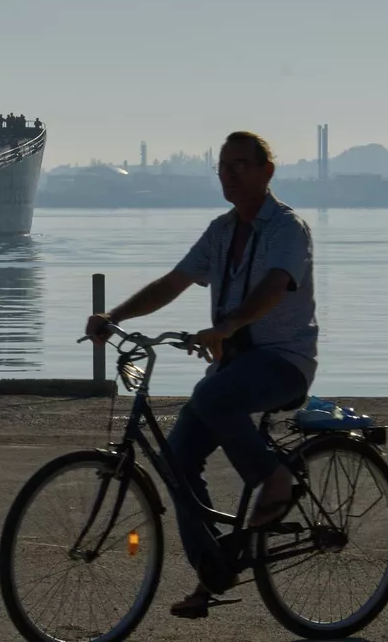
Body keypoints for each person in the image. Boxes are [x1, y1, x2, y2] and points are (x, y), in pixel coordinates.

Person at [84, 130, 317, 615]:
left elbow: (275, 286)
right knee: (175, 461)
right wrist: (114, 316)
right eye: (223, 167)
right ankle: (214, 570)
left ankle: (274, 480)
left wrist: (227, 325)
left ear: (267, 171)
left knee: (211, 398)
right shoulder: (221, 232)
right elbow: (174, 282)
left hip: (283, 362)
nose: (229, 175)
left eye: (240, 165)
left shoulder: (287, 229)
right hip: (234, 367)